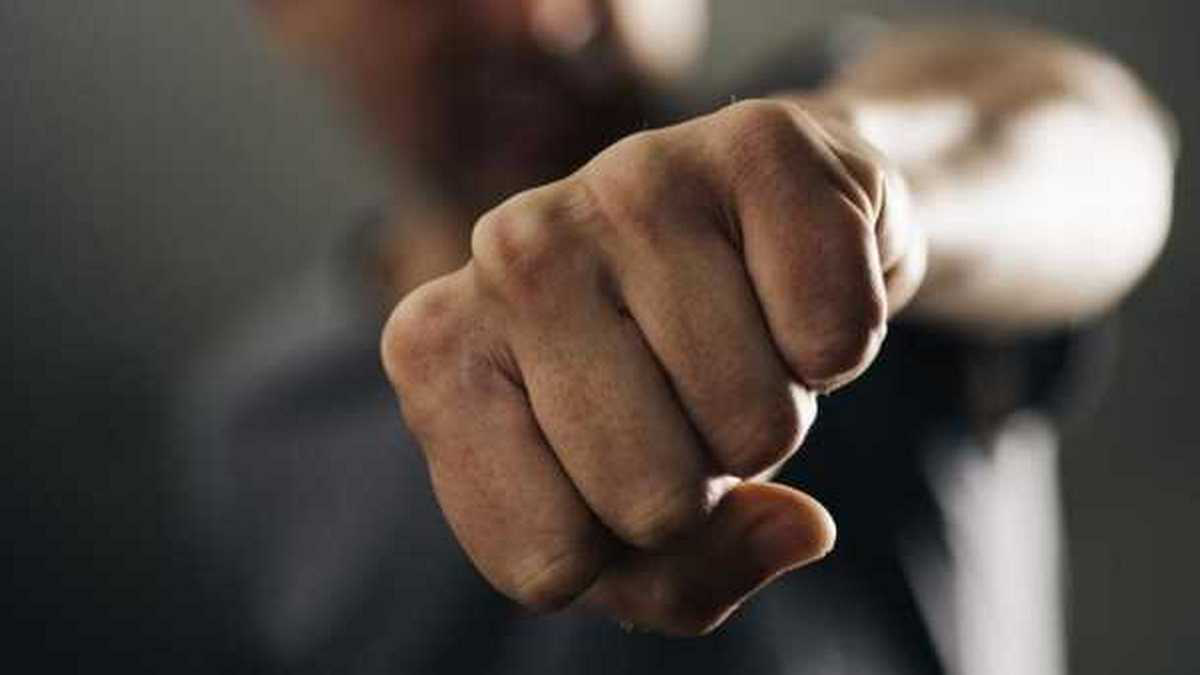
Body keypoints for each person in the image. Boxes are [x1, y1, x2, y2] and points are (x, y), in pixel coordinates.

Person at [183, 1, 1176, 673]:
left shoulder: (825, 172)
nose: (542, 18)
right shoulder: (255, 424)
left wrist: (866, 184)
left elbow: (1089, 154)